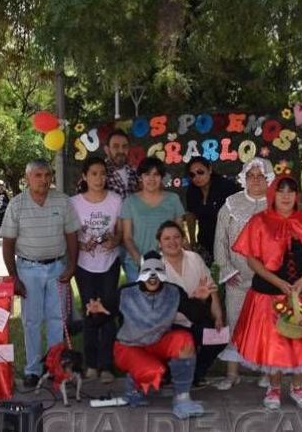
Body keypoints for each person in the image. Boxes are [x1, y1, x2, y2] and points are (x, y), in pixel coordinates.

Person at [230, 175, 302, 410]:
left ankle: (297, 388)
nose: (286, 196)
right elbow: (252, 260)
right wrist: (277, 282)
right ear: (272, 194)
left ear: (296, 195)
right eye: (281, 190)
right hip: (268, 293)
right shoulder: (259, 222)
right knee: (274, 342)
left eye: (291, 191)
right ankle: (274, 388)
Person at [86, 251, 215, 419]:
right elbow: (97, 322)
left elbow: (196, 317)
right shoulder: (125, 293)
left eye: (157, 270)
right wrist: (95, 314)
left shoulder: (174, 292)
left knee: (184, 340)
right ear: (140, 271)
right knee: (155, 372)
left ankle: (182, 398)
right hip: (128, 347)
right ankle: (134, 385)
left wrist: (202, 300)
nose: (152, 276)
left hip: (157, 343)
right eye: (147, 270)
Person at [1, 159, 80, 388]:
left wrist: (71, 267)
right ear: (27, 178)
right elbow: (8, 244)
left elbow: (72, 236)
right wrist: (14, 277)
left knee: (57, 320)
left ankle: (55, 368)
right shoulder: (16, 204)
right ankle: (33, 370)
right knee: (31, 321)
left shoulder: (63, 201)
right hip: (28, 269)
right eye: (38, 175)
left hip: (57, 268)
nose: (44, 180)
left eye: (47, 175)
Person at [212, 157, 275, 390]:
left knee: (267, 325)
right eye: (251, 176)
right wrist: (227, 270)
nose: (256, 180)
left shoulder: (277, 203)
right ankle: (232, 373)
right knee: (235, 321)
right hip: (237, 278)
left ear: (268, 178)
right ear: (244, 178)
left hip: (268, 281)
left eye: (261, 176)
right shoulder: (230, 204)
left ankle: (267, 373)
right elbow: (220, 239)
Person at [70, 156, 122, 383]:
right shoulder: (74, 203)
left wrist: (114, 240)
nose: (98, 178)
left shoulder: (116, 200)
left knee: (108, 311)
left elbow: (120, 232)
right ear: (84, 176)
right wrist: (81, 244)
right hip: (84, 265)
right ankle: (90, 364)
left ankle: (107, 365)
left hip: (110, 264)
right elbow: (69, 236)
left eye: (102, 173)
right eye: (93, 173)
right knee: (91, 310)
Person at [157, 221, 225, 387]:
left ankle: (196, 374)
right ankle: (166, 372)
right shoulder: (156, 267)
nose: (172, 242)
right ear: (159, 243)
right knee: (181, 342)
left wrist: (218, 317)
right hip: (169, 324)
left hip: (197, 318)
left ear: (183, 239)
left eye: (176, 237)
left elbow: (211, 290)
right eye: (167, 238)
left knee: (219, 338)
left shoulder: (194, 258)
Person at [120, 157, 185, 283]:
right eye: (147, 174)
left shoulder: (173, 199)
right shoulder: (130, 202)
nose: (151, 179)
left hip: (167, 264)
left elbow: (180, 234)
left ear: (162, 177)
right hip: (136, 265)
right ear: (140, 177)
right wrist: (141, 261)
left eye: (156, 174)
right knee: (138, 302)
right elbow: (127, 237)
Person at [184, 157, 240, 264]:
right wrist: (192, 241)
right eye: (192, 175)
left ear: (209, 169)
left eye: (200, 172)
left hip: (228, 242)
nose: (197, 177)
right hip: (205, 242)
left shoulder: (226, 187)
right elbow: (190, 215)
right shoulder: (192, 191)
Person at [104, 130, 138, 200]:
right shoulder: (98, 174)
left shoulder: (134, 172)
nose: (121, 151)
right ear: (107, 150)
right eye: (115, 146)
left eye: (125, 146)